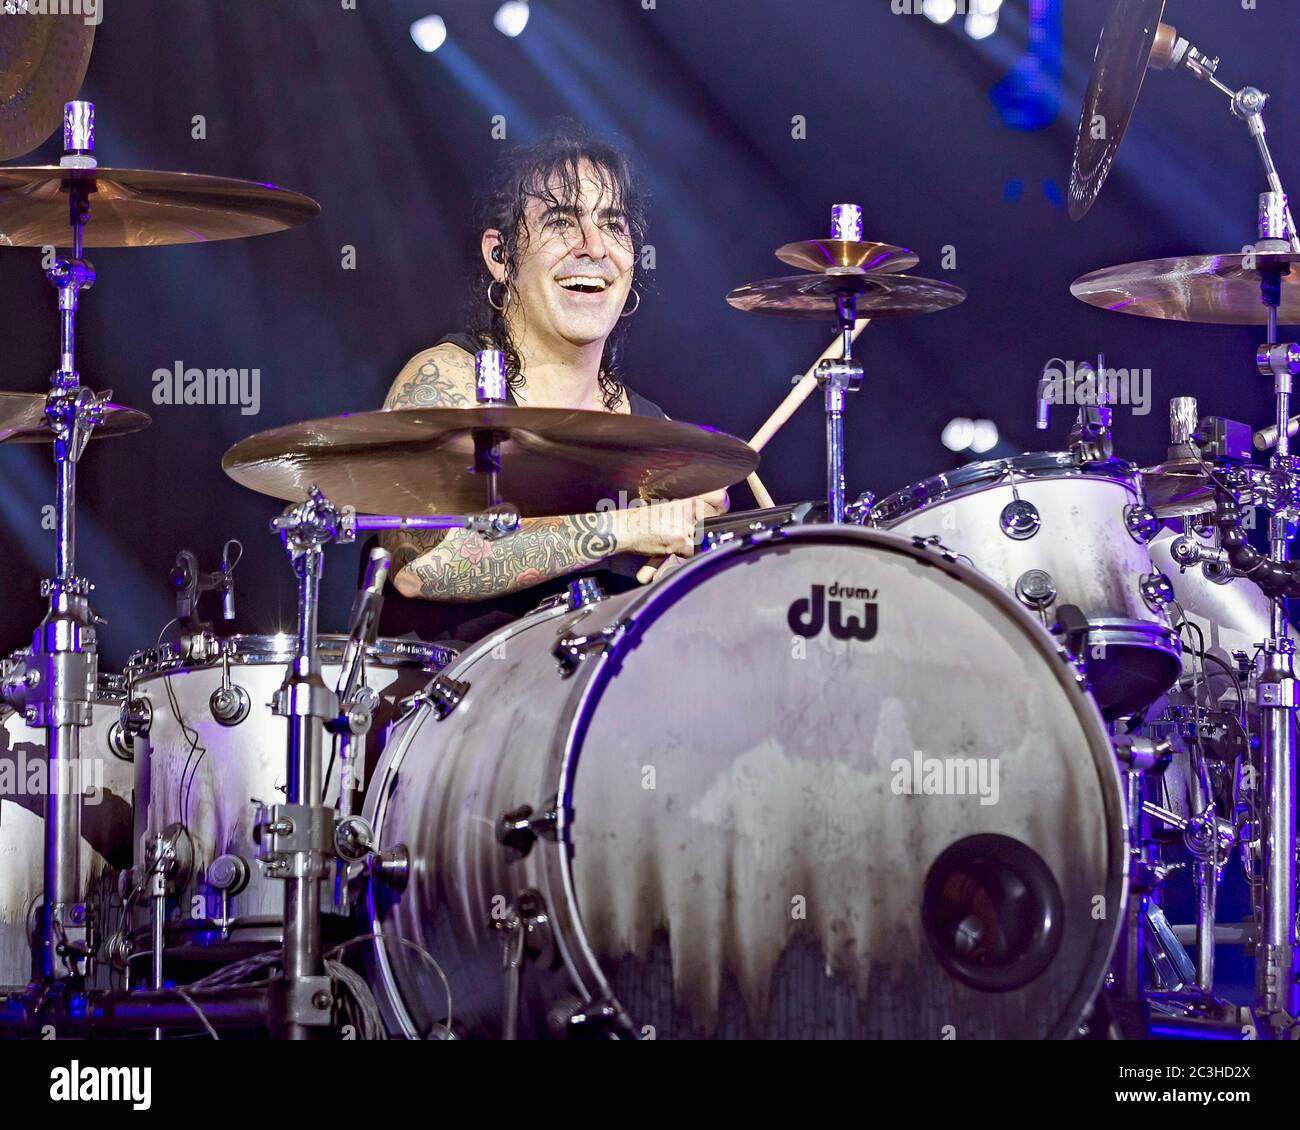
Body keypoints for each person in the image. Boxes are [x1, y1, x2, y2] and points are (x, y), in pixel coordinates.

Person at [377, 129, 728, 644]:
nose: (595, 247)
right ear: (501, 256)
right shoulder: (445, 382)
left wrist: (692, 556)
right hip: (451, 694)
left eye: (613, 224)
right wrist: (631, 529)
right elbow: (421, 568)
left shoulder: (656, 435)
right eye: (561, 221)